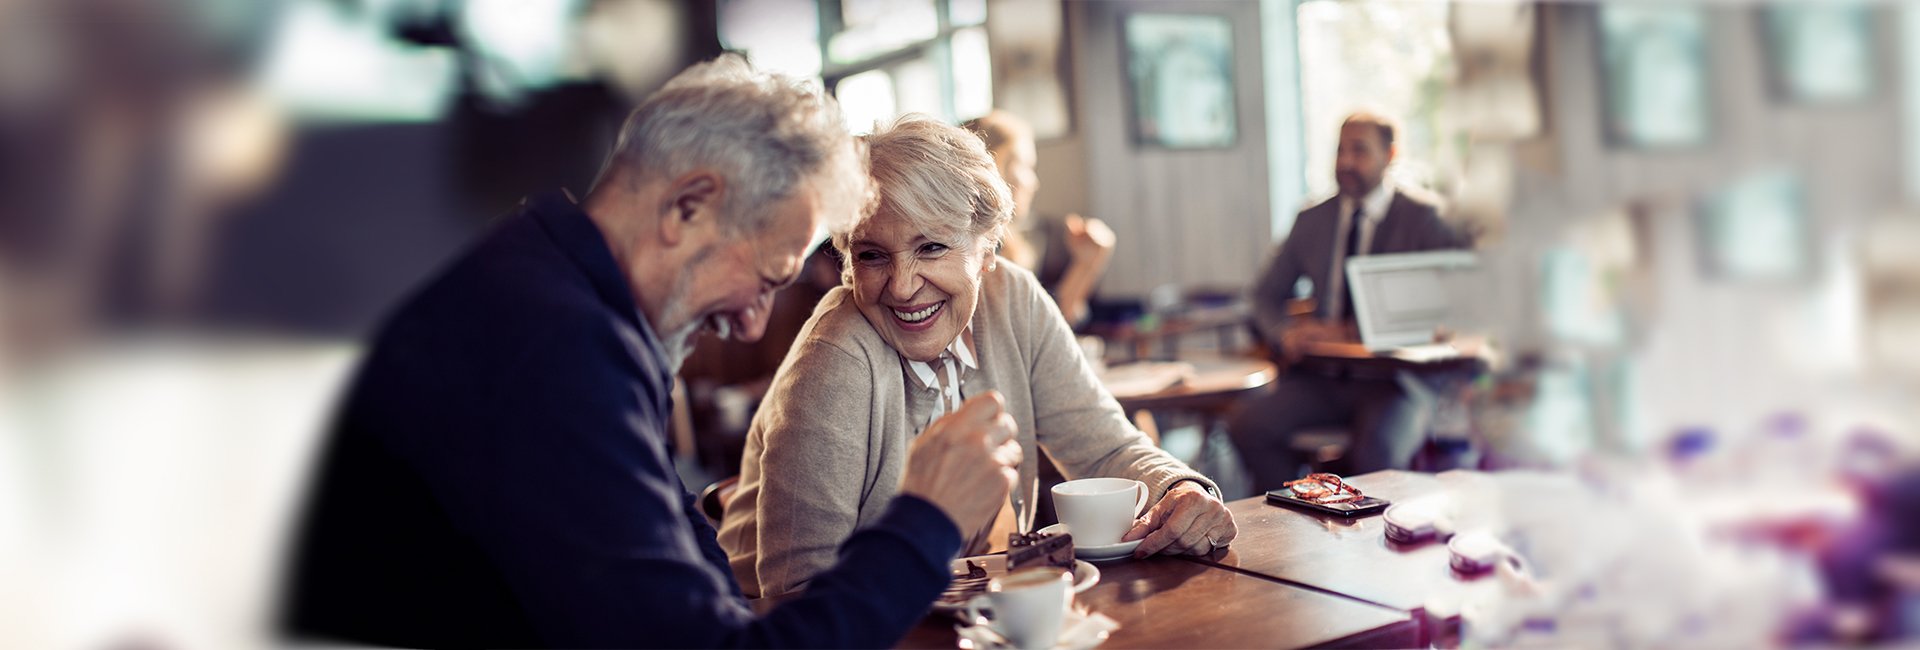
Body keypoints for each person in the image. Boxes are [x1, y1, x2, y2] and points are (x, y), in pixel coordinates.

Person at [278, 55, 1024, 649]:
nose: (753, 324)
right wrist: (923, 515)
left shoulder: (550, 283)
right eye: (765, 278)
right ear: (688, 208)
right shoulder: (551, 350)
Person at [717, 113, 1235, 598]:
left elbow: (1103, 447)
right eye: (872, 255)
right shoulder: (835, 357)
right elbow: (797, 589)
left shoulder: (1014, 299)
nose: (901, 287)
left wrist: (1181, 489)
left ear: (988, 249)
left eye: (931, 248)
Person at [1229, 111, 1467, 494]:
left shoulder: (1428, 217)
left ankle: (1374, 545)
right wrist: (1284, 333)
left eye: (1360, 150)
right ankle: (1298, 518)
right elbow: (1262, 297)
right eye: (1340, 150)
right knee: (1247, 427)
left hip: (1394, 380)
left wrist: (1352, 330)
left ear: (1391, 155)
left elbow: (1458, 301)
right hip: (1323, 377)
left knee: (1377, 457)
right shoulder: (1312, 219)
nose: (1345, 162)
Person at [964, 110, 1113, 328]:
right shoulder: (972, 251)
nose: (1033, 183)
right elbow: (1030, 334)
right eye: (1026, 167)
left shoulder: (1011, 244)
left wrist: (1086, 265)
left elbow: (1044, 328)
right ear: (993, 168)